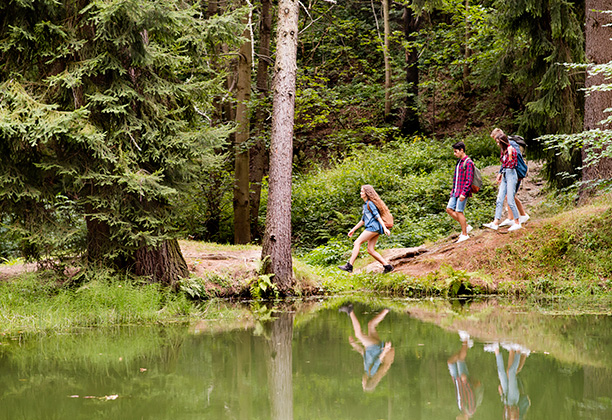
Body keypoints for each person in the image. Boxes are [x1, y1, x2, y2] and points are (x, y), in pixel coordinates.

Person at [338, 304, 395, 392]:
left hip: (373, 347)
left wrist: (355, 345)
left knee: (371, 325)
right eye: (363, 383)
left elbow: (364, 354)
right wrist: (386, 350)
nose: (361, 381)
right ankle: (350, 310)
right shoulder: (371, 372)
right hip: (373, 347)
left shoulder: (367, 370)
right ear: (367, 381)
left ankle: (387, 309)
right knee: (358, 334)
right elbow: (378, 361)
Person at [338, 185, 393, 273]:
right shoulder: (366, 204)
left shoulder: (370, 203)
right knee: (370, 250)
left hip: (373, 228)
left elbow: (377, 216)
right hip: (375, 228)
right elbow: (363, 220)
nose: (360, 193)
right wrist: (353, 229)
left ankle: (349, 266)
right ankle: (387, 266)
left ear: (367, 193)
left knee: (357, 242)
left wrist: (385, 228)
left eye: (362, 191)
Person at [490, 128, 530, 227]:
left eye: (496, 140)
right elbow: (505, 161)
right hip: (508, 173)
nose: (496, 143)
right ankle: (514, 217)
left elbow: (515, 159)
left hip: (515, 173)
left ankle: (516, 218)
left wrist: (516, 173)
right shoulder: (504, 146)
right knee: (510, 195)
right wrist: (500, 172)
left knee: (510, 196)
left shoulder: (512, 145)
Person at [483, 133, 522, 232]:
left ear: (502, 142)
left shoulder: (511, 149)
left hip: (511, 175)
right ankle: (495, 222)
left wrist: (509, 155)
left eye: (498, 142)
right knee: (499, 199)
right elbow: (503, 163)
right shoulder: (503, 150)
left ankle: (517, 222)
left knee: (510, 199)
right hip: (505, 174)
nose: (497, 144)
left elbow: (512, 163)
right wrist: (500, 173)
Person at [484, 342, 531, 420]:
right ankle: (518, 349)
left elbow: (505, 409)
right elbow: (517, 413)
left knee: (501, 373)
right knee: (511, 372)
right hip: (513, 400)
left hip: (506, 398)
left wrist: (502, 395)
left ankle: (496, 349)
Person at [446, 142, 474, 243]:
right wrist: (453, 190)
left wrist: (464, 192)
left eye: (456, 151)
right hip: (455, 191)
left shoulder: (468, 162)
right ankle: (466, 226)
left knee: (459, 211)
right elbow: (456, 178)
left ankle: (464, 234)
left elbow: (469, 179)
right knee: (449, 209)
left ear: (462, 150)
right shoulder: (459, 162)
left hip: (462, 191)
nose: (454, 154)